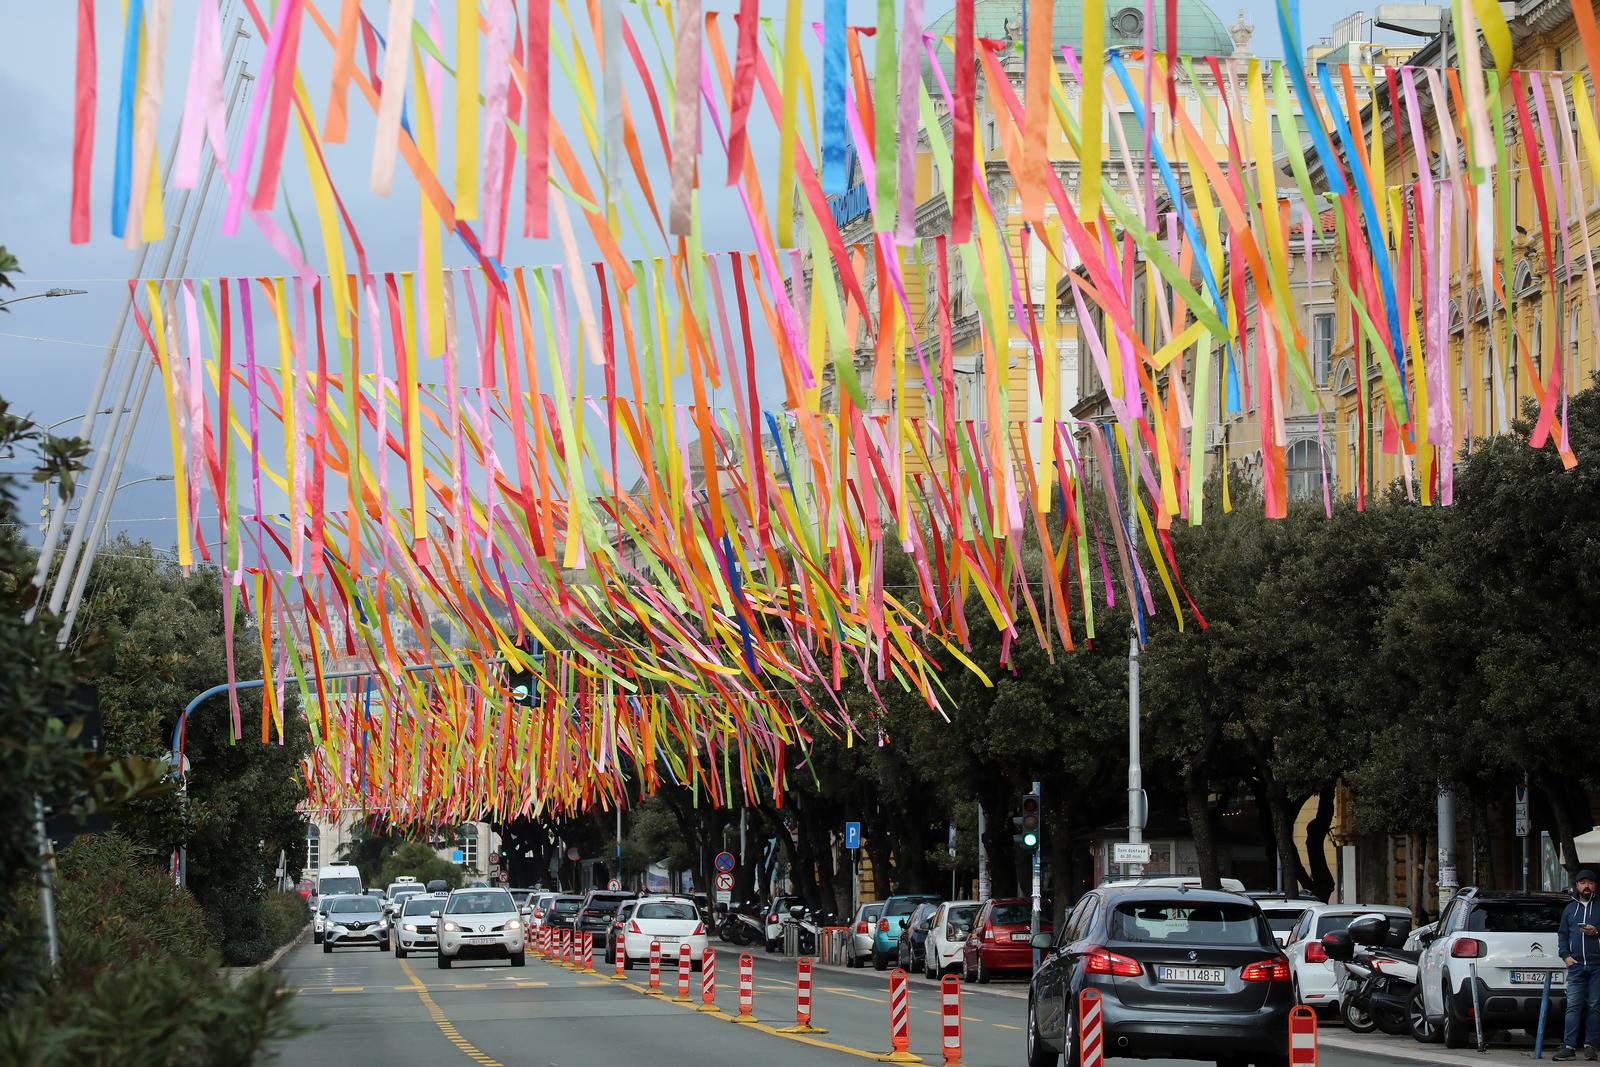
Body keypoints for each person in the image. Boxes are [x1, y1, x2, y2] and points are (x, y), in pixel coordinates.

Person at [1555, 869, 1600, 1060]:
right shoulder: (1569, 909)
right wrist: (1565, 956)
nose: (1587, 886)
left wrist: (1596, 932)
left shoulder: (1599, 906)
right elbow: (1562, 935)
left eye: (1590, 882)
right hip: (1576, 965)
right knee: (1573, 1006)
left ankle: (1590, 1047)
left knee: (1595, 1006)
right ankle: (1569, 1047)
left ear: (1595, 886)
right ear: (1577, 886)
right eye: (1583, 883)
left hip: (1598, 965)